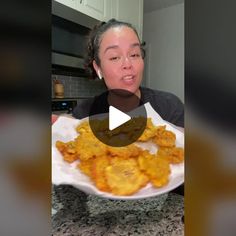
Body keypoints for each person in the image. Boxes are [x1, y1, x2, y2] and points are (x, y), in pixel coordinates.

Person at [72, 18, 184, 128]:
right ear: (98, 68)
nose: (128, 64)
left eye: (134, 54)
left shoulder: (170, 106)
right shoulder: (83, 114)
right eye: (115, 57)